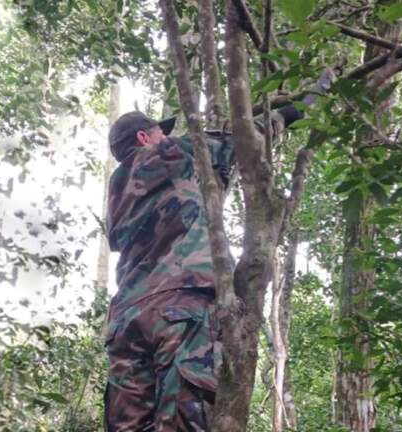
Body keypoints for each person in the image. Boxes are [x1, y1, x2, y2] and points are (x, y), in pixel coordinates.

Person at [104, 70, 334, 432]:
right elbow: (246, 138)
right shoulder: (169, 153)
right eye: (161, 130)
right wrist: (305, 103)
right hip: (178, 306)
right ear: (144, 137)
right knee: (182, 419)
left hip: (126, 318)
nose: (168, 134)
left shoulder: (116, 193)